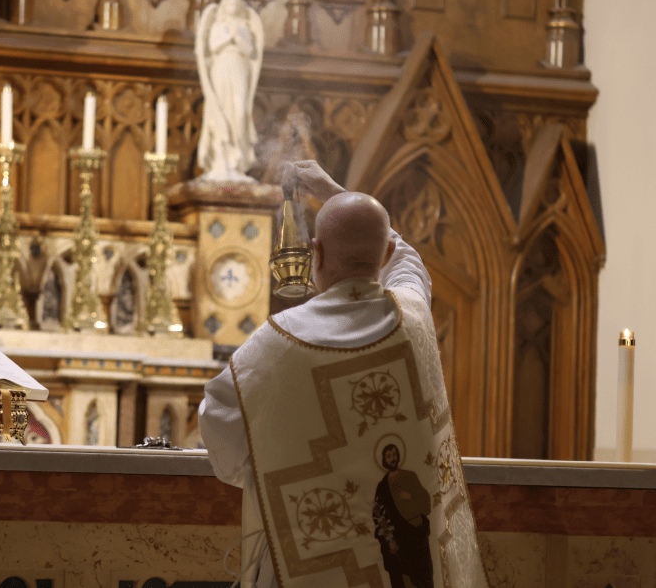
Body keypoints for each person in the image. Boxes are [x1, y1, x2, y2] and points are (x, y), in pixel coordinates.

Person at [198, 161, 486, 588]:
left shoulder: (275, 344)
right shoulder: (414, 319)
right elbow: (409, 262)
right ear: (383, 254)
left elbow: (218, 425)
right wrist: (334, 191)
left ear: (315, 253)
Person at [194, 0, 263, 182]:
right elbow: (212, 47)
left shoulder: (244, 25)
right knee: (220, 111)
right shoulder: (218, 24)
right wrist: (228, 37)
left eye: (235, 2)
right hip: (221, 68)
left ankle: (237, 162)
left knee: (240, 112)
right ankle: (220, 161)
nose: (232, 5)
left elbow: (251, 51)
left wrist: (238, 39)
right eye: (229, 2)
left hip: (239, 68)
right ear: (224, 5)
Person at [373, 443, 434, 588]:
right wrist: (388, 540)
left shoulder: (410, 477)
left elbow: (426, 506)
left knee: (422, 579)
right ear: (384, 460)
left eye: (394, 454)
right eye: (389, 456)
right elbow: (378, 516)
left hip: (417, 536)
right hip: (399, 541)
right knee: (403, 579)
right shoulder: (382, 488)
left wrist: (410, 496)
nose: (393, 458)